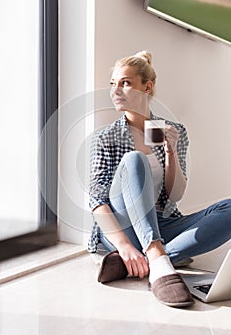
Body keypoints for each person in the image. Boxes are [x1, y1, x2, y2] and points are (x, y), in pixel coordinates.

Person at [88, 50, 231, 308]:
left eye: (126, 82)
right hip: (123, 226)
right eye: (113, 84)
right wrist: (123, 244)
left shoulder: (175, 131)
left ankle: (136, 262)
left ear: (147, 87)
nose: (116, 90)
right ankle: (156, 257)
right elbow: (97, 201)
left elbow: (175, 196)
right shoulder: (105, 138)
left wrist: (171, 153)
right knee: (135, 160)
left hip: (163, 222)